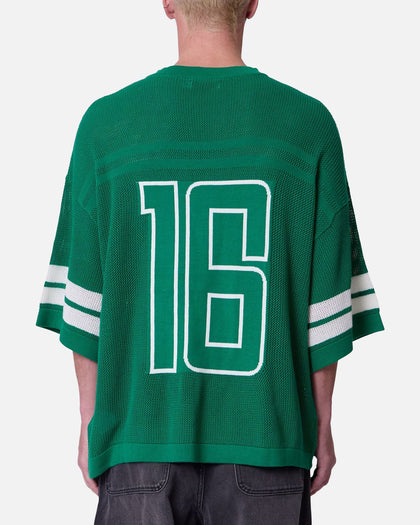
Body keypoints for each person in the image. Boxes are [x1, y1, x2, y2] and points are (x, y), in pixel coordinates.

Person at [35, 0, 385, 523]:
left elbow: (86, 305)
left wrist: (90, 422)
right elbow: (326, 307)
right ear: (252, 4)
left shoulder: (104, 127)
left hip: (138, 443)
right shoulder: (307, 127)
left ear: (167, 4)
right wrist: (321, 422)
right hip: (268, 443)